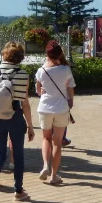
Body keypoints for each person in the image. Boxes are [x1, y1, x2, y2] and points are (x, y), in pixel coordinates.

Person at [0, 42, 35, 203]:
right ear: (20, 57)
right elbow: (25, 103)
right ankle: (18, 191)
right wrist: (31, 125)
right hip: (16, 116)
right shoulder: (23, 74)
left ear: (4, 55)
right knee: (18, 155)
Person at [35, 41, 75, 185]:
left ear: (47, 54)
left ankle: (45, 165)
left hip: (45, 108)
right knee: (57, 142)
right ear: (60, 54)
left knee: (46, 138)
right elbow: (70, 87)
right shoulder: (65, 69)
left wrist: (43, 91)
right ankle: (54, 175)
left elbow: (39, 92)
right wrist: (71, 101)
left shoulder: (41, 71)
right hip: (61, 109)